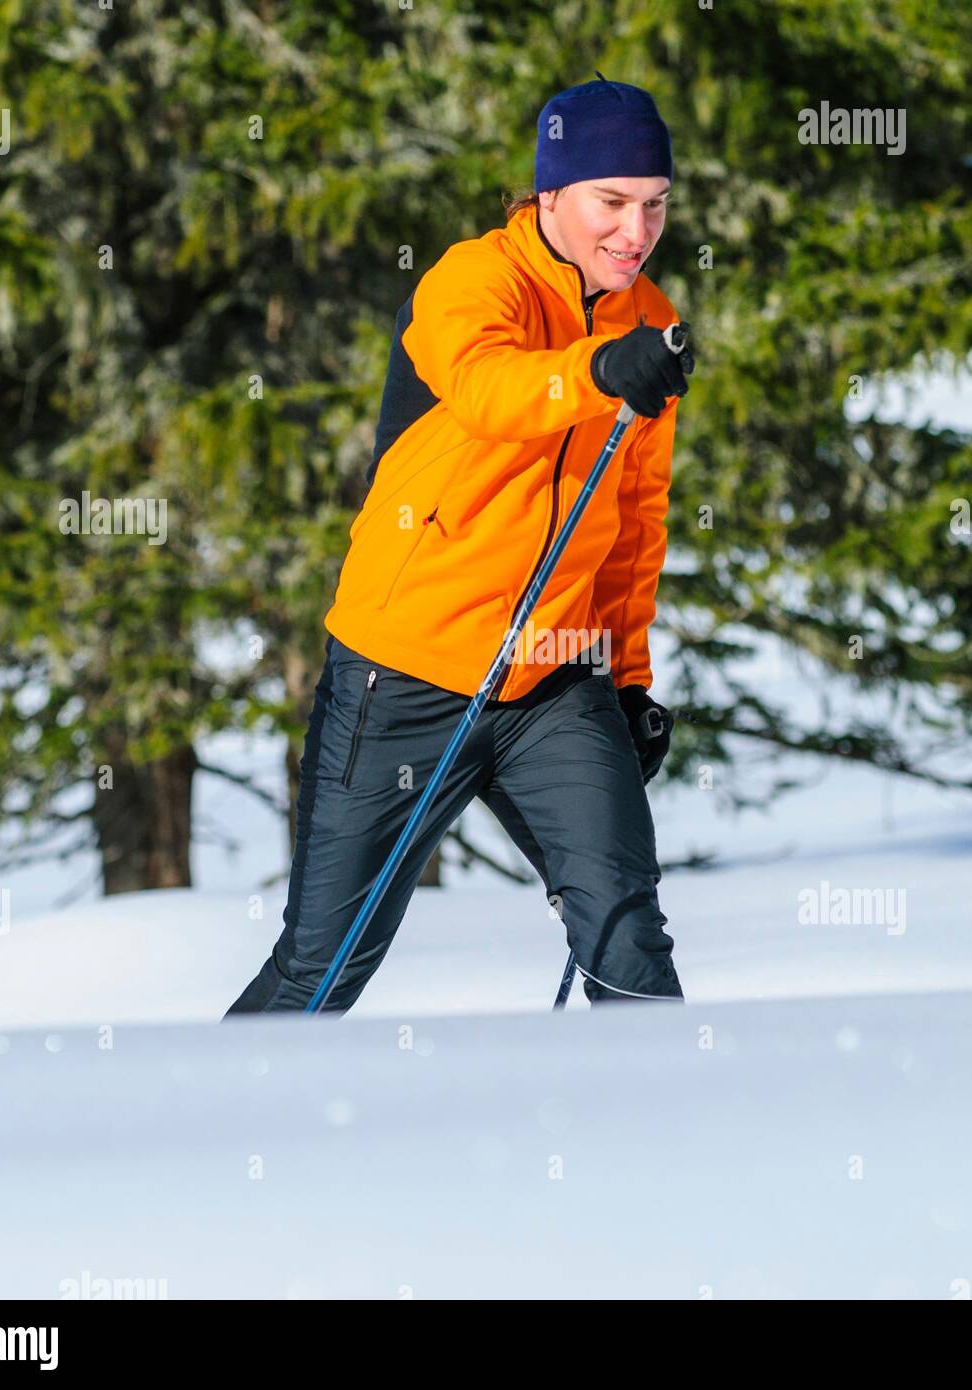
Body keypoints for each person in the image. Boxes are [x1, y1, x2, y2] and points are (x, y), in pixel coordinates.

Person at [224, 73, 695, 1018]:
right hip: (405, 670)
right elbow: (489, 389)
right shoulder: (474, 280)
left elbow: (632, 523)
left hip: (552, 679)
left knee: (626, 933)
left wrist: (630, 677)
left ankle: (663, 1149)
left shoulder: (646, 319)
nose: (636, 233)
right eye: (613, 203)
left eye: (655, 207)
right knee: (326, 962)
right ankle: (192, 1146)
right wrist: (601, 370)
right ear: (551, 195)